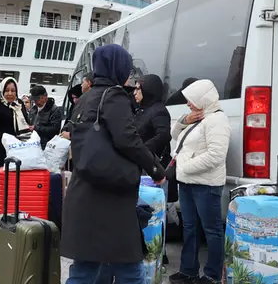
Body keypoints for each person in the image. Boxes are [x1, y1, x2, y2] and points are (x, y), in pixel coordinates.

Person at [61, 44, 166, 284]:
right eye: (126, 68)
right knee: (130, 269)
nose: (129, 74)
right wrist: (155, 169)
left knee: (85, 268)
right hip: (110, 197)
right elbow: (128, 139)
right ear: (117, 68)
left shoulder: (85, 98)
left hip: (84, 192)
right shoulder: (115, 96)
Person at [168, 79, 231, 284]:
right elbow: (175, 136)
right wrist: (183, 121)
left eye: (191, 100)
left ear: (203, 99)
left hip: (206, 184)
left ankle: (212, 275)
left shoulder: (216, 120)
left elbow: (216, 155)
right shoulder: (198, 119)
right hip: (187, 182)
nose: (188, 104)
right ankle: (189, 271)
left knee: (211, 230)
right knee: (190, 227)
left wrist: (184, 167)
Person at [29, 85, 63, 149]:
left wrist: (36, 128)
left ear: (45, 96)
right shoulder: (33, 109)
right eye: (34, 100)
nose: (36, 102)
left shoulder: (54, 110)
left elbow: (55, 130)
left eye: (38, 98)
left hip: (47, 146)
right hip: (33, 144)